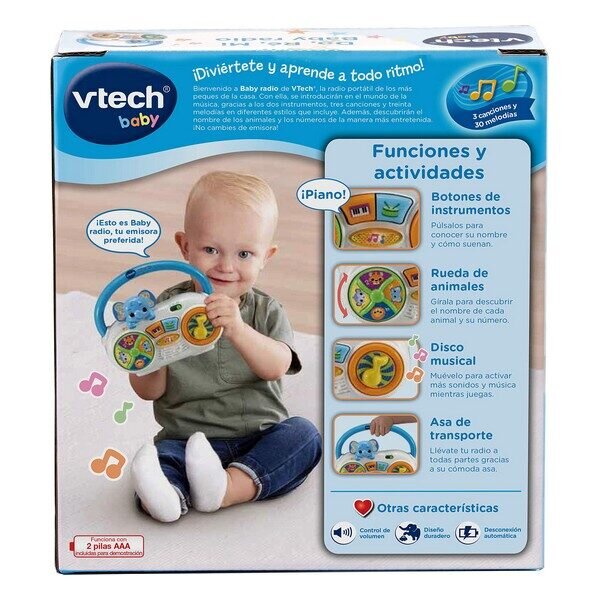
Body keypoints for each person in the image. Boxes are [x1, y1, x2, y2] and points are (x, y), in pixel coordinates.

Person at [129, 171, 322, 522]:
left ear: (266, 257)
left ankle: (228, 488)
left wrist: (238, 329)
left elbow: (276, 366)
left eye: (245, 253)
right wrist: (149, 354)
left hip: (258, 437)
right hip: (184, 439)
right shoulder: (165, 310)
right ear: (185, 246)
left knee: (304, 436)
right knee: (162, 461)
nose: (226, 266)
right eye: (210, 250)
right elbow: (148, 391)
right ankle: (167, 497)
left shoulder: (266, 310)